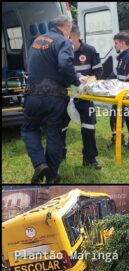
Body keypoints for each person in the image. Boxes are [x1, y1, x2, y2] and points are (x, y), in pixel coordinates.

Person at [21, 15, 85, 184]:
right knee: (54, 135)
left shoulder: (37, 40)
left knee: (29, 129)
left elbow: (31, 66)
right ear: (67, 27)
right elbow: (64, 65)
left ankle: (40, 164)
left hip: (33, 94)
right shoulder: (63, 41)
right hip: (55, 97)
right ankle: (52, 175)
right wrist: (77, 82)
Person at [61, 23, 102, 170]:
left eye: (70, 38)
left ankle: (89, 159)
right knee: (61, 126)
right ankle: (60, 154)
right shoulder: (63, 52)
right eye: (66, 38)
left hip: (84, 95)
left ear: (78, 37)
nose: (68, 42)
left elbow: (98, 72)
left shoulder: (90, 51)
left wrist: (88, 82)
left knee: (89, 125)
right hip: (66, 96)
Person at [107, 32, 129, 148]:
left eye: (116, 43)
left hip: (128, 95)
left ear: (122, 43)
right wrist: (102, 83)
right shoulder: (122, 58)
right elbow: (114, 74)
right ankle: (117, 141)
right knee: (115, 118)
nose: (114, 46)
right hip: (120, 95)